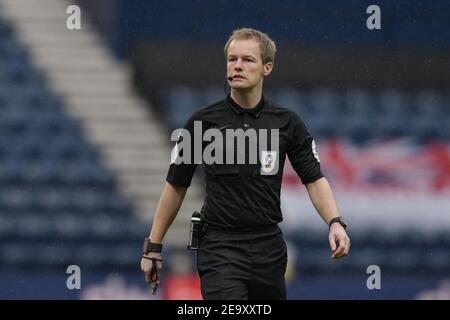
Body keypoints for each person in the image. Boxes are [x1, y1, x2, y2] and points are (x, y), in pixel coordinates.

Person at [141, 28, 350, 300]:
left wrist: (335, 222)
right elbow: (176, 186)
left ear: (267, 67)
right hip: (219, 247)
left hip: (269, 249)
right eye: (232, 59)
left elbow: (313, 179)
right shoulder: (201, 123)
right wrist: (153, 247)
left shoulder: (287, 123)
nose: (237, 65)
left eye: (247, 59)